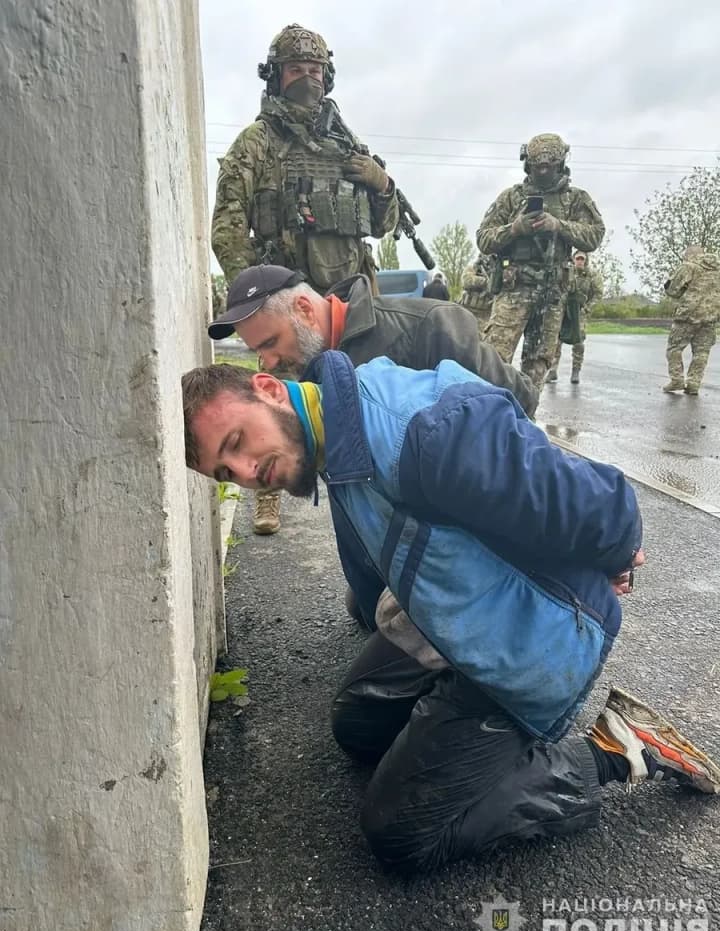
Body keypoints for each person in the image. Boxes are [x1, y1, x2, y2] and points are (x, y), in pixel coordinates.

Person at [182, 355, 720, 875]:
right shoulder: (332, 435)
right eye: (227, 472)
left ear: (270, 389)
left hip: (532, 641)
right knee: (357, 725)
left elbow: (597, 501)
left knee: (399, 832)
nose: (250, 472)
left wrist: (618, 554)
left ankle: (616, 750)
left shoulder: (422, 435)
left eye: (238, 442)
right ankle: (462, 731)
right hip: (465, 619)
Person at [211, 23, 399, 535]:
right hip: (289, 306)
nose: (307, 78)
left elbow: (382, 225)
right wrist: (260, 298)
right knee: (274, 399)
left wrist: (383, 186)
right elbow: (227, 227)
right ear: (275, 76)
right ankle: (268, 496)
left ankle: (385, 497)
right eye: (296, 68)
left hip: (350, 302)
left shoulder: (346, 143)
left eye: (315, 69)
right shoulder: (258, 142)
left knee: (372, 397)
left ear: (328, 75)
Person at [207, 264, 539, 421]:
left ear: (305, 310)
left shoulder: (426, 326)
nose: (267, 361)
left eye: (270, 342)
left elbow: (519, 399)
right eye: (257, 351)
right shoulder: (310, 372)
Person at [476, 133, 605, 390]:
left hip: (552, 292)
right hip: (514, 289)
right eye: (537, 167)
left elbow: (594, 235)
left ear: (560, 163)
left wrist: (559, 226)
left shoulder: (575, 199)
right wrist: (514, 229)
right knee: (492, 360)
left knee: (537, 365)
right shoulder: (512, 197)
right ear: (528, 164)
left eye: (548, 166)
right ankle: (487, 417)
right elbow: (484, 238)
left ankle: (524, 420)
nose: (542, 171)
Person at [662, 245, 720, 395]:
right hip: (711, 317)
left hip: (688, 316)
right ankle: (694, 383)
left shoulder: (688, 266)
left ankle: (677, 380)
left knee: (674, 348)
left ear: (689, 255)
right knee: (702, 352)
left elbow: (672, 290)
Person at [546, 251, 604, 384]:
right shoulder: (567, 272)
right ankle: (553, 370)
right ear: (573, 259)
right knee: (556, 340)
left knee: (578, 341)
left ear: (586, 260)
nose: (580, 261)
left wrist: (587, 308)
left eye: (582, 259)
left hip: (580, 310)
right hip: (563, 309)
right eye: (577, 259)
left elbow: (598, 294)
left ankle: (575, 371)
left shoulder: (592, 275)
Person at [459, 253, 494, 331]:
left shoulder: (495, 272)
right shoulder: (472, 268)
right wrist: (485, 282)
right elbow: (466, 281)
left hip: (486, 316)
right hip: (468, 312)